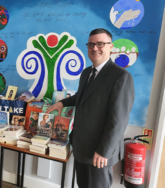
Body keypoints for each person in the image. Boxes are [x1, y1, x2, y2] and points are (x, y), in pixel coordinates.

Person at [46, 28, 135, 188]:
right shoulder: (87, 72)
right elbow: (82, 96)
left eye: (100, 44)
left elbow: (119, 121)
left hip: (100, 151)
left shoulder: (121, 77)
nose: (95, 48)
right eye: (91, 44)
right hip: (81, 145)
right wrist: (62, 103)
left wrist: (104, 151)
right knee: (83, 185)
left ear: (111, 46)